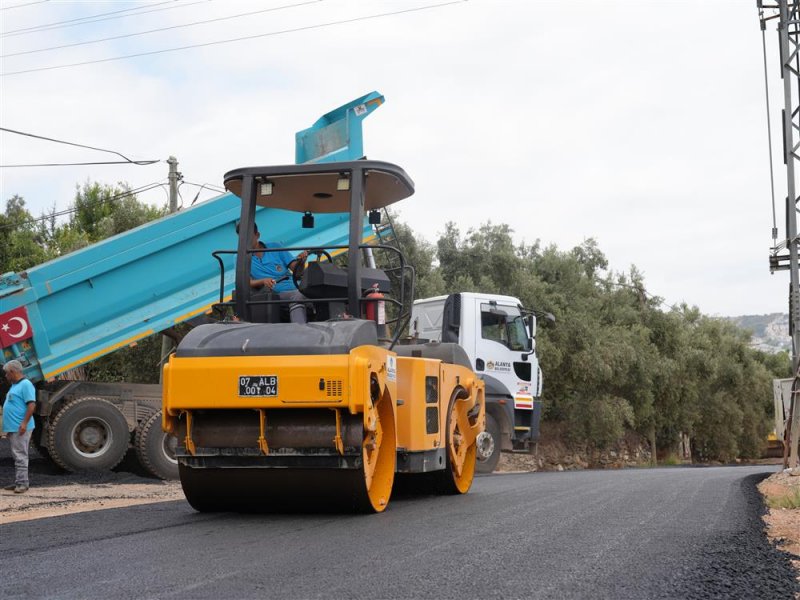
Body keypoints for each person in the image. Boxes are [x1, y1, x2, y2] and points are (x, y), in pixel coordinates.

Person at [239, 222, 311, 323]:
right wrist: (263, 281)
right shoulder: (240, 257)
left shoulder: (275, 247)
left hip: (296, 288)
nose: (245, 241)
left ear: (257, 235)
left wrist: (301, 262)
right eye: (242, 238)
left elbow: (297, 272)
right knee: (297, 296)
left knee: (319, 291)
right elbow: (245, 282)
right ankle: (299, 331)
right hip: (275, 295)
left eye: (249, 237)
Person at [2, 359, 35, 494]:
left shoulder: (26, 384)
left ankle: (23, 483)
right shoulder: (15, 385)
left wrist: (24, 423)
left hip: (21, 427)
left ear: (12, 372)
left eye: (6, 373)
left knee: (20, 455)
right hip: (14, 427)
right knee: (17, 455)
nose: (5, 376)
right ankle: (19, 481)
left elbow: (32, 405)